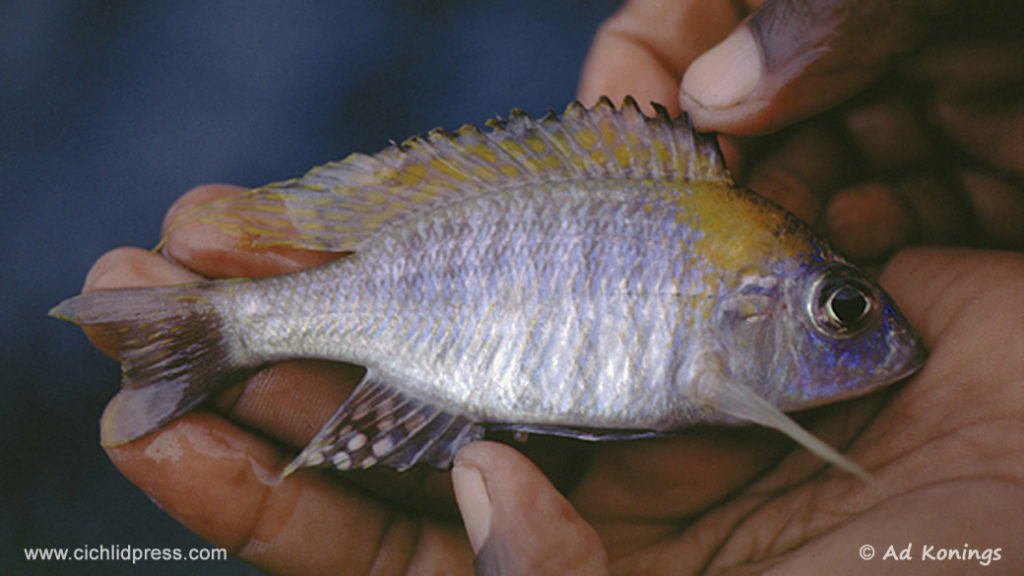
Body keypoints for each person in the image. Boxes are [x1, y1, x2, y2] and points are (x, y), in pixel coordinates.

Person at [76, 0, 1023, 573]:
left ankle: (219, 333)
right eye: (841, 312)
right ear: (758, 302)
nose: (869, 334)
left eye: (847, 307)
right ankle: (225, 331)